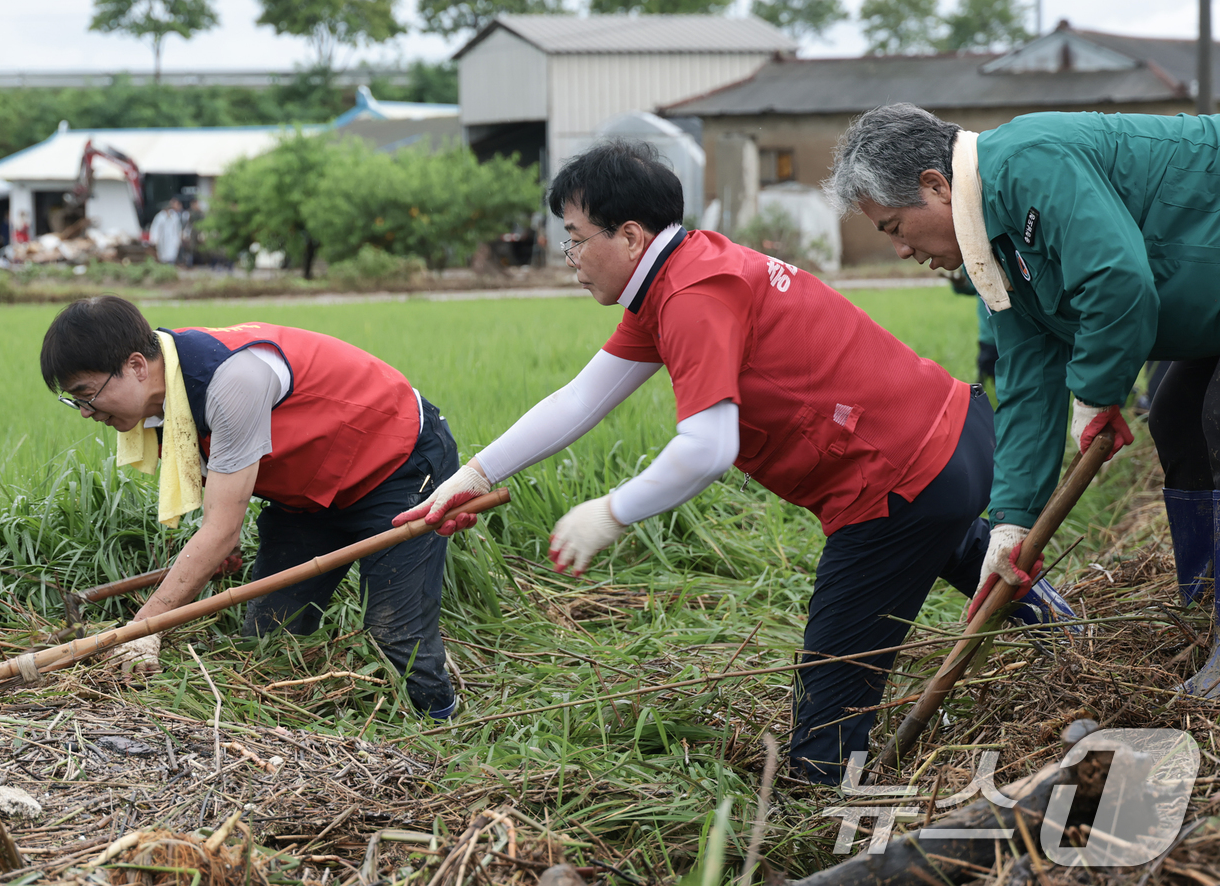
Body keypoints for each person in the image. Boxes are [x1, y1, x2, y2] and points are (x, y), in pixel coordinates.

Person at [396, 140, 1069, 785]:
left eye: (575, 236)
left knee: (831, 689)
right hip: (953, 436)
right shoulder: (683, 272)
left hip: (899, 478)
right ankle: (1072, 639)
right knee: (956, 546)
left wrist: (612, 510)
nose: (569, 255)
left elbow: (707, 446)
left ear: (629, 236)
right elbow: (581, 399)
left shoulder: (691, 294)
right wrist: (474, 474)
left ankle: (831, 817)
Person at [824, 104, 1220, 695]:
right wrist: (1010, 525)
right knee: (1177, 417)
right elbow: (1030, 383)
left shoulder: (1026, 163)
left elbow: (1116, 279)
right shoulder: (998, 248)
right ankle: (1206, 619)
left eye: (893, 227)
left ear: (935, 186)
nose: (902, 250)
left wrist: (1095, 391)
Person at [39, 296, 461, 720]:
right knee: (268, 640)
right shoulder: (162, 401)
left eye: (87, 394)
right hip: (307, 494)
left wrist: (141, 630)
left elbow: (219, 531)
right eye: (74, 400)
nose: (85, 412)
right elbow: (223, 505)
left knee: (397, 639)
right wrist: (218, 546)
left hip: (397, 465)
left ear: (135, 366)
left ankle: (444, 727)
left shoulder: (231, 383)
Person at [148, 197, 183, 265]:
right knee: (162, 256)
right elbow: (155, 229)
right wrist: (154, 239)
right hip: (162, 239)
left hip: (172, 240)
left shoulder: (174, 217)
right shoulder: (159, 217)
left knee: (172, 255)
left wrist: (178, 240)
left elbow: (177, 229)